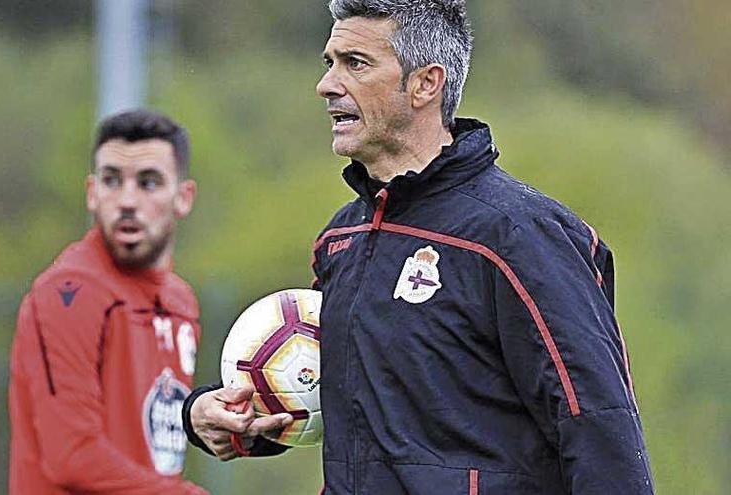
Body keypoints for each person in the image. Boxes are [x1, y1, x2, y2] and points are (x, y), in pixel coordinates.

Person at [182, 1, 655, 493]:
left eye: (355, 64)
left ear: (425, 84)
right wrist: (220, 416)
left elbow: (598, 424)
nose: (326, 85)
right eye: (330, 63)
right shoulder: (342, 238)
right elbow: (367, 414)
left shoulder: (519, 234)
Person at [9, 110, 208, 494]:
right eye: (112, 181)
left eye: (148, 182)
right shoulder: (70, 292)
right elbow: (72, 456)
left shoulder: (181, 300)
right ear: (91, 193)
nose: (127, 201)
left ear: (183, 198)